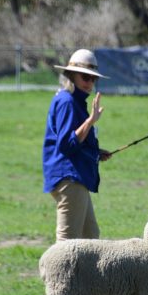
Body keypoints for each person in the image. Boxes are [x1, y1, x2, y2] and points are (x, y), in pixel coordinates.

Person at [42, 48, 112, 242]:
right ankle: (55, 273)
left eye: (93, 79)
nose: (90, 83)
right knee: (67, 243)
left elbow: (74, 141)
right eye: (85, 77)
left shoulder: (74, 100)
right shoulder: (67, 102)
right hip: (69, 178)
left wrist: (95, 152)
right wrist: (90, 121)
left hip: (75, 177)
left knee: (90, 238)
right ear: (71, 75)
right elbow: (66, 144)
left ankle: (87, 274)